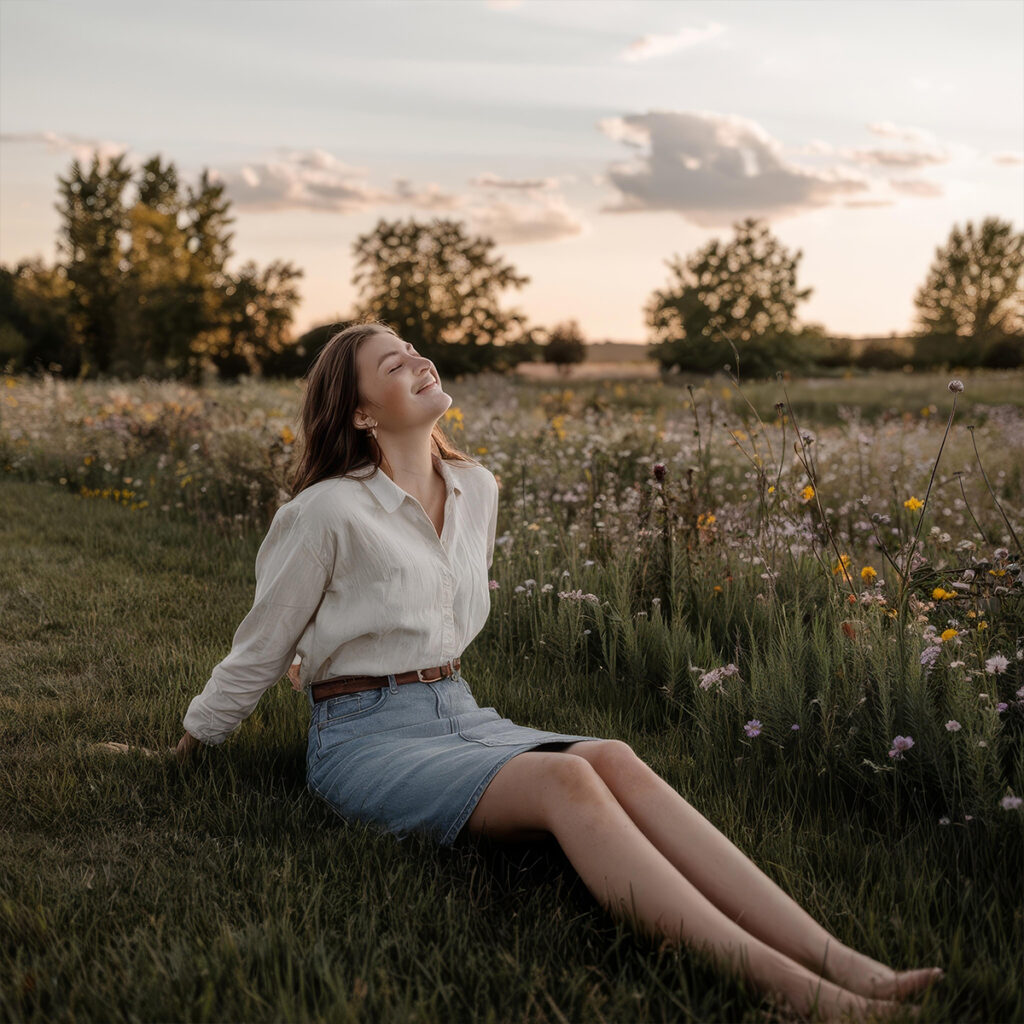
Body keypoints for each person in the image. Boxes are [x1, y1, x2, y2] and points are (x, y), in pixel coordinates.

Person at [176, 321, 943, 1021]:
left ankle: (851, 966)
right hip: (364, 737)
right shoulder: (324, 512)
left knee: (611, 756)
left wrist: (349, 643)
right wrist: (190, 746)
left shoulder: (476, 488)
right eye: (392, 362)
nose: (417, 358)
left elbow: (431, 616)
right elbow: (260, 646)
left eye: (413, 347)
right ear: (362, 414)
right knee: (567, 782)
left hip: (459, 709)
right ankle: (806, 997)